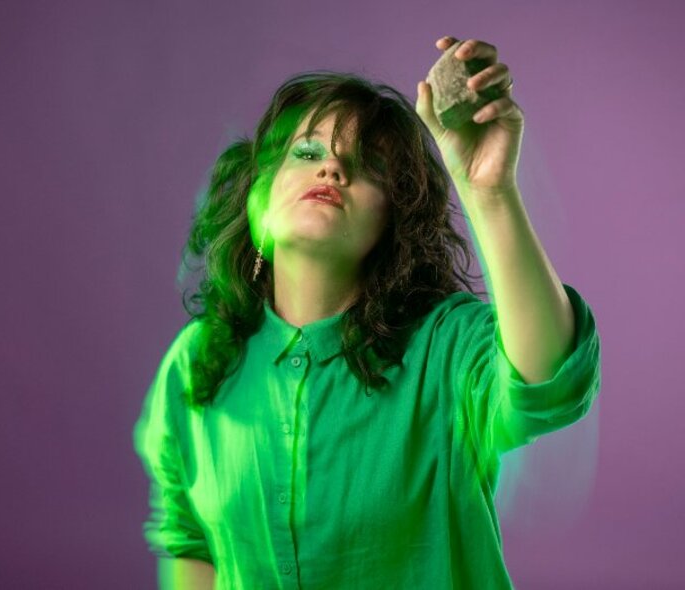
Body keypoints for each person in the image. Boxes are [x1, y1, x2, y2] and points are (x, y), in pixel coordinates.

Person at [134, 35, 601, 589]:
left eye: (367, 165)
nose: (331, 168)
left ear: (392, 223)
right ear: (260, 192)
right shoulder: (197, 363)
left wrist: (489, 191)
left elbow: (550, 379)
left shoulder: (444, 348)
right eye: (307, 153)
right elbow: (190, 541)